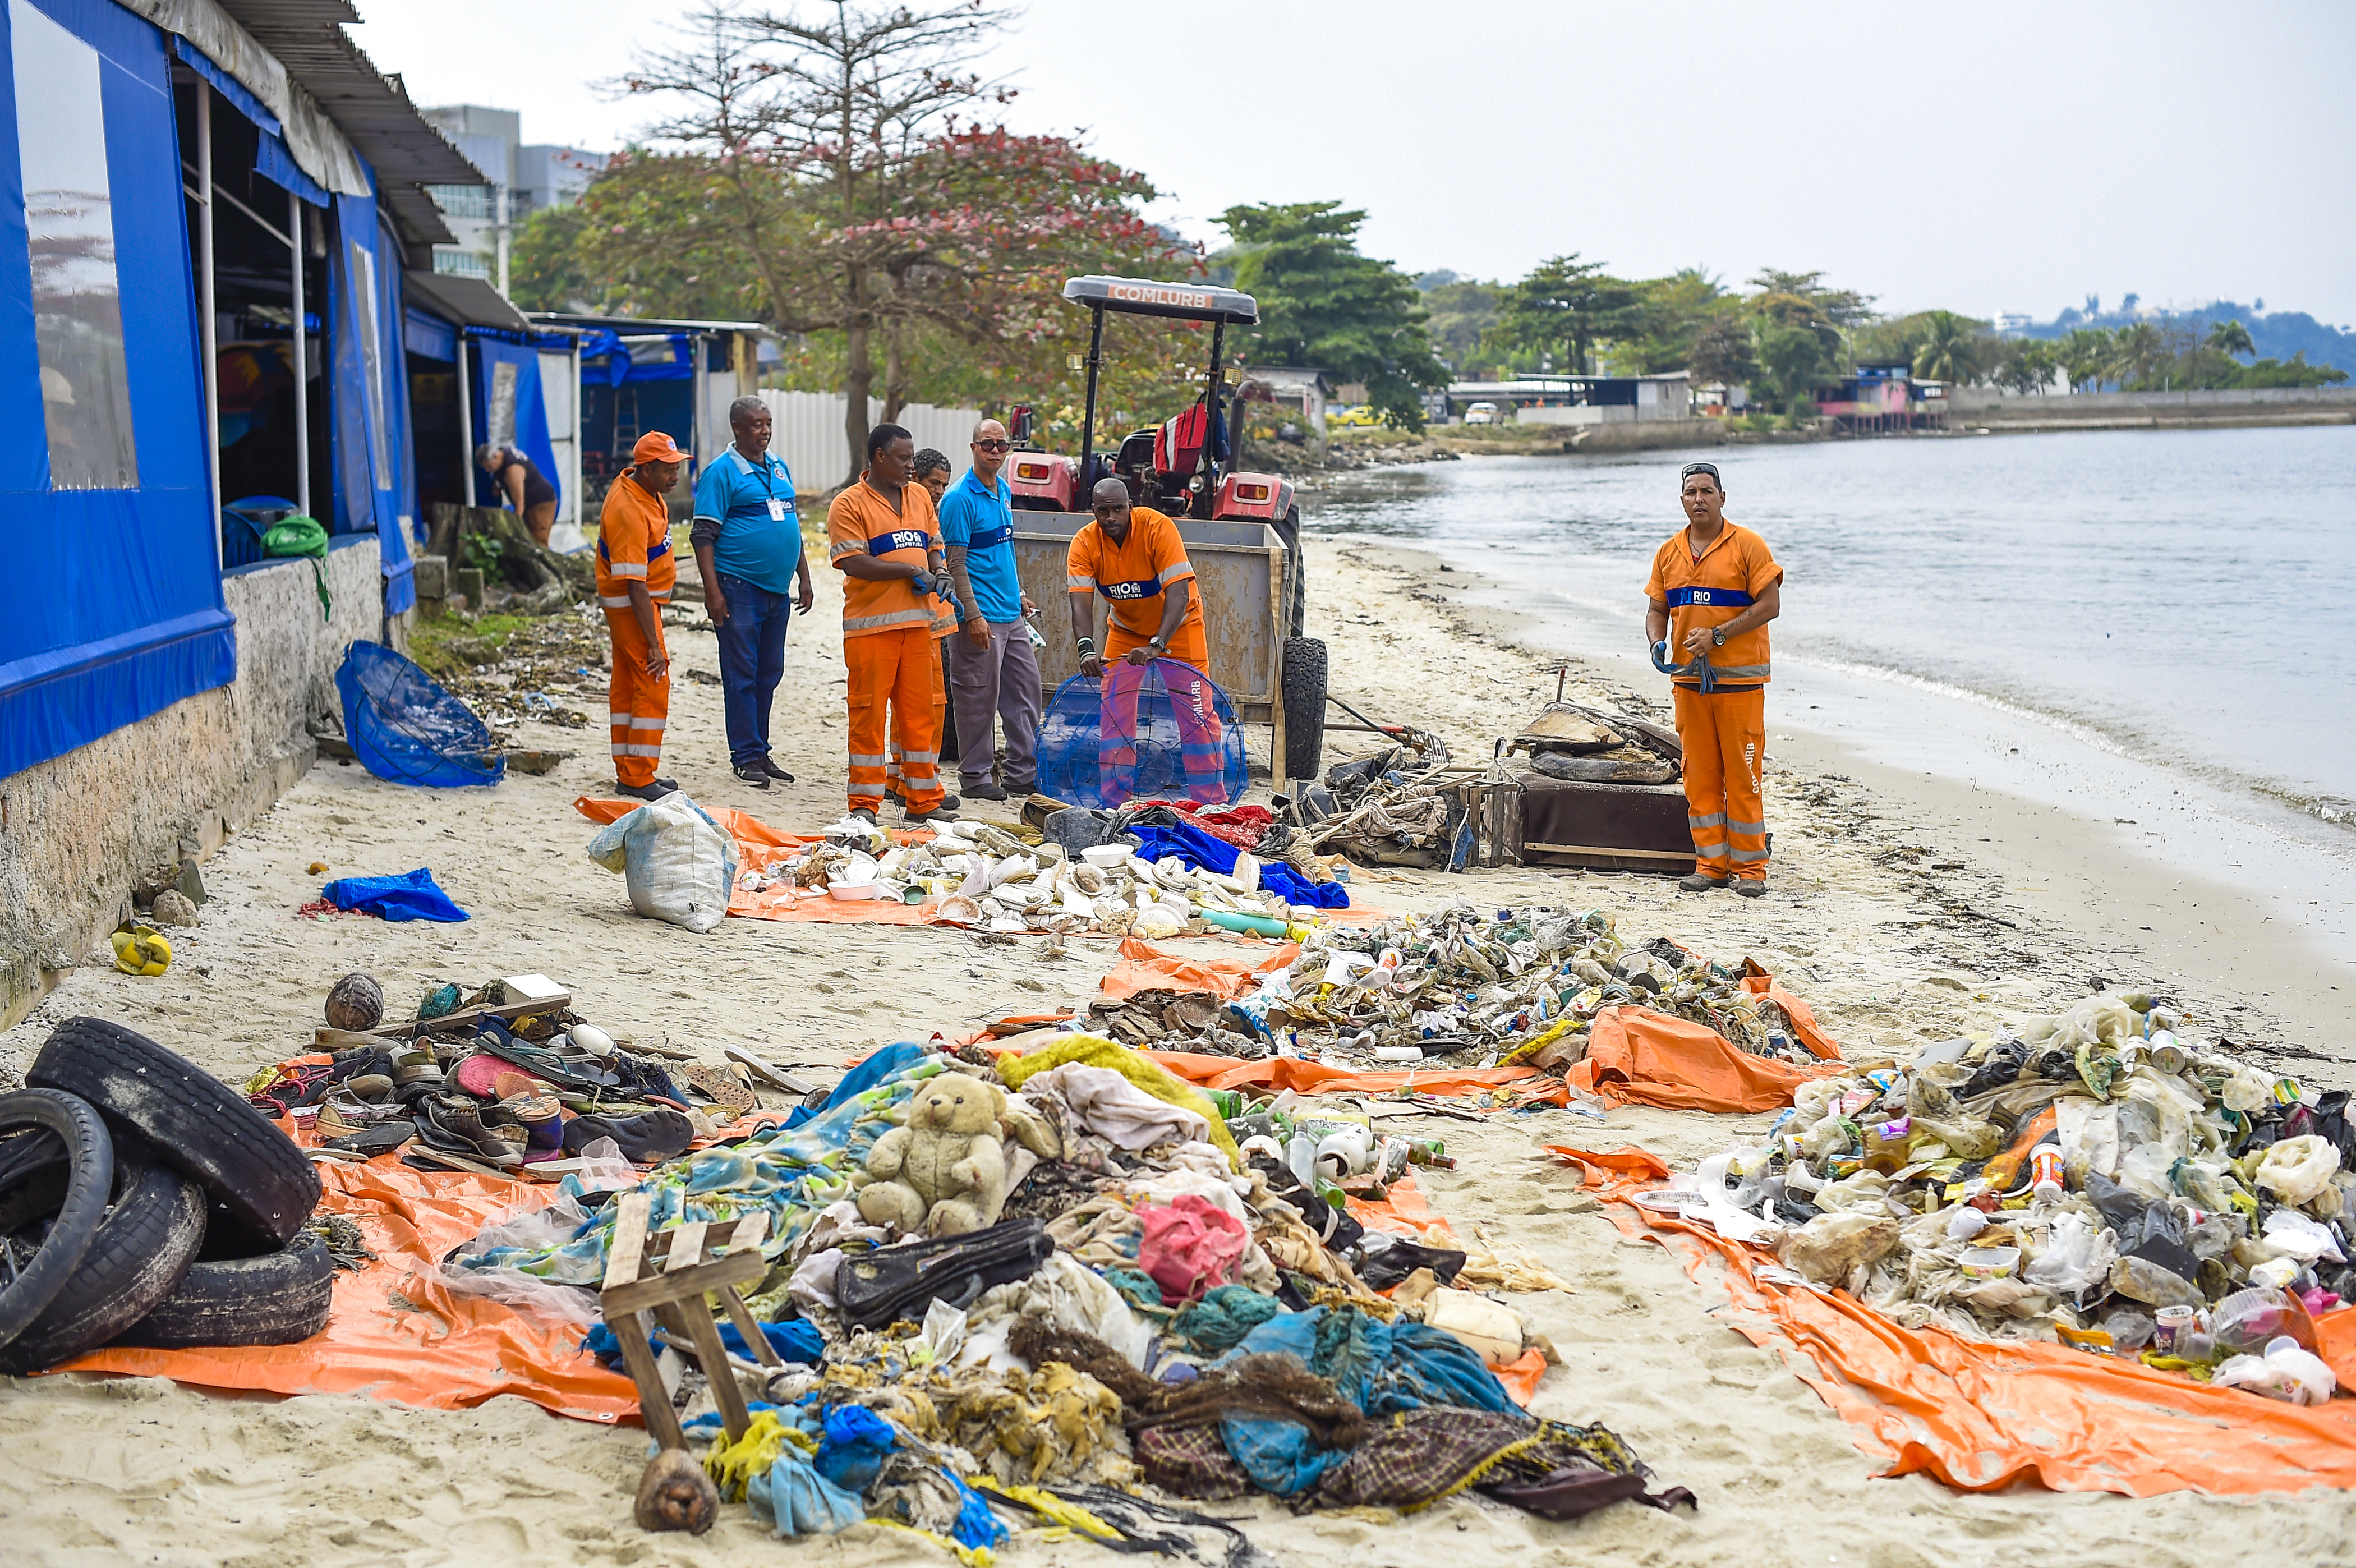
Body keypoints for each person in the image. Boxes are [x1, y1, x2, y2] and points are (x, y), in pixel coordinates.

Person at [1643, 460, 1783, 896]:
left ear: (1723, 497)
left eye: (1707, 491)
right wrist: (1656, 643)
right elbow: (1656, 609)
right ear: (1682, 501)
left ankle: (1751, 870)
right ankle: (1711, 866)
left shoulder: (1748, 546)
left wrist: (1720, 634)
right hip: (1688, 683)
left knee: (1743, 773)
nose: (1699, 499)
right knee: (1700, 776)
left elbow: (1770, 604)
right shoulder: (1669, 552)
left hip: (1739, 684)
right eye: (1691, 492)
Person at [828, 424, 957, 825]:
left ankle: (924, 798)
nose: (911, 466)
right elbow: (851, 561)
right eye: (903, 458)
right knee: (867, 717)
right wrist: (904, 569)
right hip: (871, 629)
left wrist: (941, 570)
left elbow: (934, 546)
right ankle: (864, 804)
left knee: (920, 715)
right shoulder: (848, 505)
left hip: (919, 625)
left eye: (912, 457)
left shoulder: (919, 496)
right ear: (879, 457)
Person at [1067, 477, 1224, 805]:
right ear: (1093, 511)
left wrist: (1156, 645)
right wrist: (1086, 649)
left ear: (1131, 507)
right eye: (1103, 511)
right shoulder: (1083, 544)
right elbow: (1080, 605)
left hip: (1179, 628)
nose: (1111, 518)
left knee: (1197, 715)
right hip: (1126, 632)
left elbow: (1179, 595)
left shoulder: (1158, 528)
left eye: (1118, 509)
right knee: (1114, 715)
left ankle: (1211, 803)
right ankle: (1115, 802)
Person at [692, 396, 816, 790]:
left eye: (768, 423)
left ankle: (760, 750)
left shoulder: (778, 467)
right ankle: (744, 756)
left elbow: (791, 525)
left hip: (777, 592)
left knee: (768, 672)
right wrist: (713, 592)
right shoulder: (721, 473)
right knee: (741, 673)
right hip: (737, 586)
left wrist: (805, 578)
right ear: (738, 429)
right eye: (756, 424)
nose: (764, 430)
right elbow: (703, 536)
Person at [941, 419, 1042, 802]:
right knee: (977, 700)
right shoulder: (958, 499)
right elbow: (956, 564)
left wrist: (1018, 594)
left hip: (1011, 616)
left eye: (1002, 445)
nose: (996, 451)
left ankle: (1020, 774)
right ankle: (975, 776)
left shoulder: (1002, 489)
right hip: (980, 619)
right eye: (988, 444)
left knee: (1025, 694)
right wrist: (972, 615)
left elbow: (1003, 552)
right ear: (973, 447)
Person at [597, 431, 687, 800]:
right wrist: (653, 645)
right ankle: (638, 774)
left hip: (638, 602)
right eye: (669, 470)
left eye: (678, 467)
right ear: (646, 469)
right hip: (633, 604)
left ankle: (628, 766)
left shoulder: (645, 493)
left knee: (628, 684)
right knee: (653, 680)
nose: (676, 476)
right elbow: (634, 583)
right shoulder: (628, 509)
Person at [885, 448, 960, 802]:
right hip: (918, 621)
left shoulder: (927, 511)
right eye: (934, 483)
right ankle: (917, 778)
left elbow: (938, 553)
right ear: (916, 477)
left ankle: (903, 776)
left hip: (934, 618)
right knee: (924, 704)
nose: (939, 491)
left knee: (919, 704)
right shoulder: (908, 510)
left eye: (944, 485)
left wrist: (940, 573)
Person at [475, 442, 559, 548]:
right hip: (531, 501)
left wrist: (514, 528)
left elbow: (520, 505)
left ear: (496, 457)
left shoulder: (513, 470)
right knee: (527, 537)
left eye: (489, 467)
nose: (488, 471)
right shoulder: (503, 452)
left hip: (542, 502)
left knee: (538, 539)